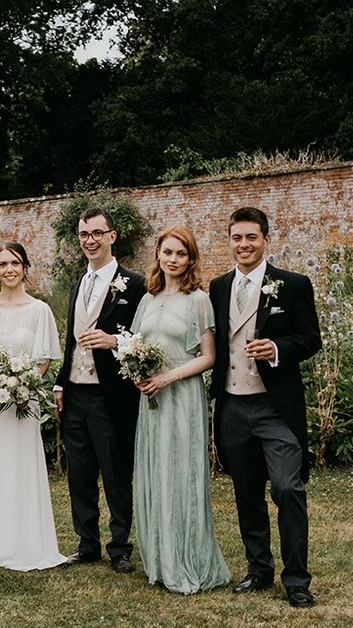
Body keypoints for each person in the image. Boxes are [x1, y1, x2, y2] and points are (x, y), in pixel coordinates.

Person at [209, 207, 321, 608]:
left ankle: (296, 579)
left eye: (251, 237)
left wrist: (276, 349)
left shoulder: (292, 285)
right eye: (237, 238)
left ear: (265, 240)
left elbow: (310, 339)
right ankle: (259, 569)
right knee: (246, 492)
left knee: (288, 488)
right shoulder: (218, 287)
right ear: (230, 241)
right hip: (233, 406)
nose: (244, 245)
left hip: (276, 409)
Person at [130, 227, 229, 593]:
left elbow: (209, 357)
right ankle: (160, 558)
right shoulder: (148, 298)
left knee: (181, 474)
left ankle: (187, 558)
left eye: (181, 254)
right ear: (157, 253)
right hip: (151, 400)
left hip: (181, 396)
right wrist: (138, 375)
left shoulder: (198, 300)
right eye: (167, 252)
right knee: (156, 473)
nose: (172, 259)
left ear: (190, 259)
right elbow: (136, 346)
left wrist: (168, 377)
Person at [54, 207, 145, 573]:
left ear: (112, 236)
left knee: (115, 471)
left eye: (96, 233)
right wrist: (61, 381)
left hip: (111, 394)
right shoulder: (79, 283)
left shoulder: (134, 284)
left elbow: (145, 340)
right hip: (75, 392)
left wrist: (113, 341)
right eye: (83, 235)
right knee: (80, 471)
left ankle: (120, 546)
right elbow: (70, 343)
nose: (89, 241)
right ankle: (86, 542)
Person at [0, 242, 65, 570]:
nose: (9, 269)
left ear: (25, 267)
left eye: (16, 263)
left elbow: (45, 358)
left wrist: (24, 385)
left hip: (24, 400)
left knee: (22, 466)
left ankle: (26, 543)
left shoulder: (39, 310)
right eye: (3, 264)